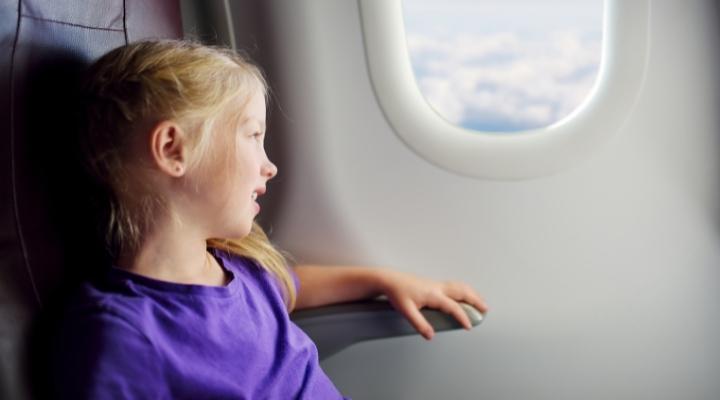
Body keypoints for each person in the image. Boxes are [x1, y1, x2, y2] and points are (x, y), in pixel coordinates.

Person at [50, 39, 489, 399]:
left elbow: (291, 286)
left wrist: (384, 280)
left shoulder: (238, 268)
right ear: (172, 150)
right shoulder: (122, 337)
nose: (269, 165)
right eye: (253, 136)